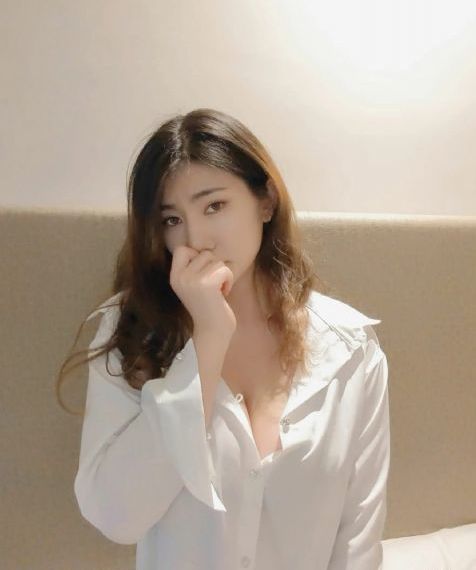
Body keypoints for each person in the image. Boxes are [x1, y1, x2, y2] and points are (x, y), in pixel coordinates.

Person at [60, 108, 390, 570]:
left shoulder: (350, 349)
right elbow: (115, 515)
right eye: (172, 220)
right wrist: (207, 343)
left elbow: (357, 539)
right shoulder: (132, 331)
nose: (196, 238)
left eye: (214, 206)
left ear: (265, 202)